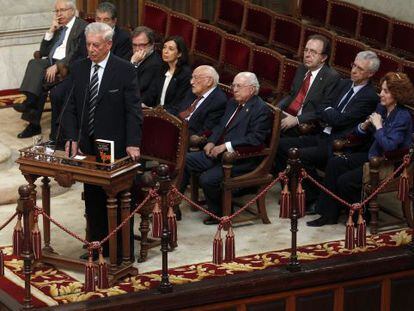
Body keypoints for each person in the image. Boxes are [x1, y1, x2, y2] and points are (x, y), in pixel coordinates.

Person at [62, 22, 142, 258]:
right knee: (93, 199)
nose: (91, 49)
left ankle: (121, 251)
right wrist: (71, 137)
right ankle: (96, 246)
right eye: (88, 44)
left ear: (109, 44)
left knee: (117, 199)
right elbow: (70, 108)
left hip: (116, 145)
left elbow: (133, 111)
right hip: (88, 145)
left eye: (96, 45)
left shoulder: (125, 70)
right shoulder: (78, 68)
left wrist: (133, 142)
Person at [276, 51, 380, 209]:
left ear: (370, 73)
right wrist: (332, 113)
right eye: (353, 65)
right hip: (321, 134)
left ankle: (314, 196)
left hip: (339, 143)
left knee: (300, 156)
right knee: (280, 145)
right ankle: (308, 192)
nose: (353, 70)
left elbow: (340, 120)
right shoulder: (343, 84)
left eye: (360, 69)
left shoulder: (369, 96)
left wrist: (330, 112)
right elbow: (321, 107)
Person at [307, 72, 414, 227]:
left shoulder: (403, 116)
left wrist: (378, 126)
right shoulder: (381, 108)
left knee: (346, 181)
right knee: (335, 163)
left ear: (397, 94)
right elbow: (357, 133)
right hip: (372, 155)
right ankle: (328, 214)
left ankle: (363, 214)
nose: (381, 94)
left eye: (386, 91)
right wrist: (363, 126)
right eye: (381, 90)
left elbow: (390, 146)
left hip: (387, 163)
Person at [182, 72, 271, 224]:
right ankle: (173, 203)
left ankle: (221, 211)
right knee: (184, 160)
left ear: (251, 89)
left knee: (208, 179)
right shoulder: (232, 103)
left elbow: (255, 139)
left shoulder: (260, 109)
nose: (234, 89)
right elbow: (220, 126)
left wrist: (226, 146)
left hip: (240, 159)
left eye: (239, 86)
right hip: (218, 154)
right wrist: (211, 141)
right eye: (233, 85)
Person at [50, 1, 132, 142]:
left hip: (107, 78)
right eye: (98, 19)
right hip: (83, 73)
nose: (101, 23)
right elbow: (76, 57)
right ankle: (57, 136)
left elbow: (121, 64)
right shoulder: (88, 33)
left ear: (114, 21)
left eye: (106, 20)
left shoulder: (123, 37)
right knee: (57, 93)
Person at [14, 0, 87, 139]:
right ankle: (30, 106)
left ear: (72, 11)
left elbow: (77, 53)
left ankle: (32, 118)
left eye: (62, 10)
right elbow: (43, 51)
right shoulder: (58, 27)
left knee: (40, 84)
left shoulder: (82, 27)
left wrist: (58, 65)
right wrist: (50, 31)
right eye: (56, 11)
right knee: (35, 63)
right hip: (50, 62)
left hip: (67, 66)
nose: (59, 14)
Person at [278, 35, 340, 136]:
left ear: (323, 57)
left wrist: (297, 120)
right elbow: (292, 95)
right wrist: (277, 109)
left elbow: (323, 110)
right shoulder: (302, 68)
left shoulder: (332, 78)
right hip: (289, 115)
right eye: (306, 50)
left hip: (306, 124)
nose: (307, 55)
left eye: (313, 52)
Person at [142, 36, 191, 115]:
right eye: (164, 47)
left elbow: (178, 103)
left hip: (171, 116)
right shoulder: (161, 69)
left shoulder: (185, 74)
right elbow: (152, 93)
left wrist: (157, 111)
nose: (165, 51)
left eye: (170, 49)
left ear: (179, 54)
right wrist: (142, 103)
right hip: (156, 112)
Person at [177, 65, 227, 136]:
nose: (191, 82)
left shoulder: (219, 101)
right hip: (176, 127)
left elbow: (205, 131)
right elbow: (179, 109)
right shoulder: (193, 91)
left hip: (187, 136)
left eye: (196, 78)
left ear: (209, 81)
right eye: (192, 77)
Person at [130, 26, 162, 100]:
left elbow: (137, 87)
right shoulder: (130, 55)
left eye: (142, 45)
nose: (137, 49)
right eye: (134, 45)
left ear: (152, 44)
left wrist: (133, 64)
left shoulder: (155, 64)